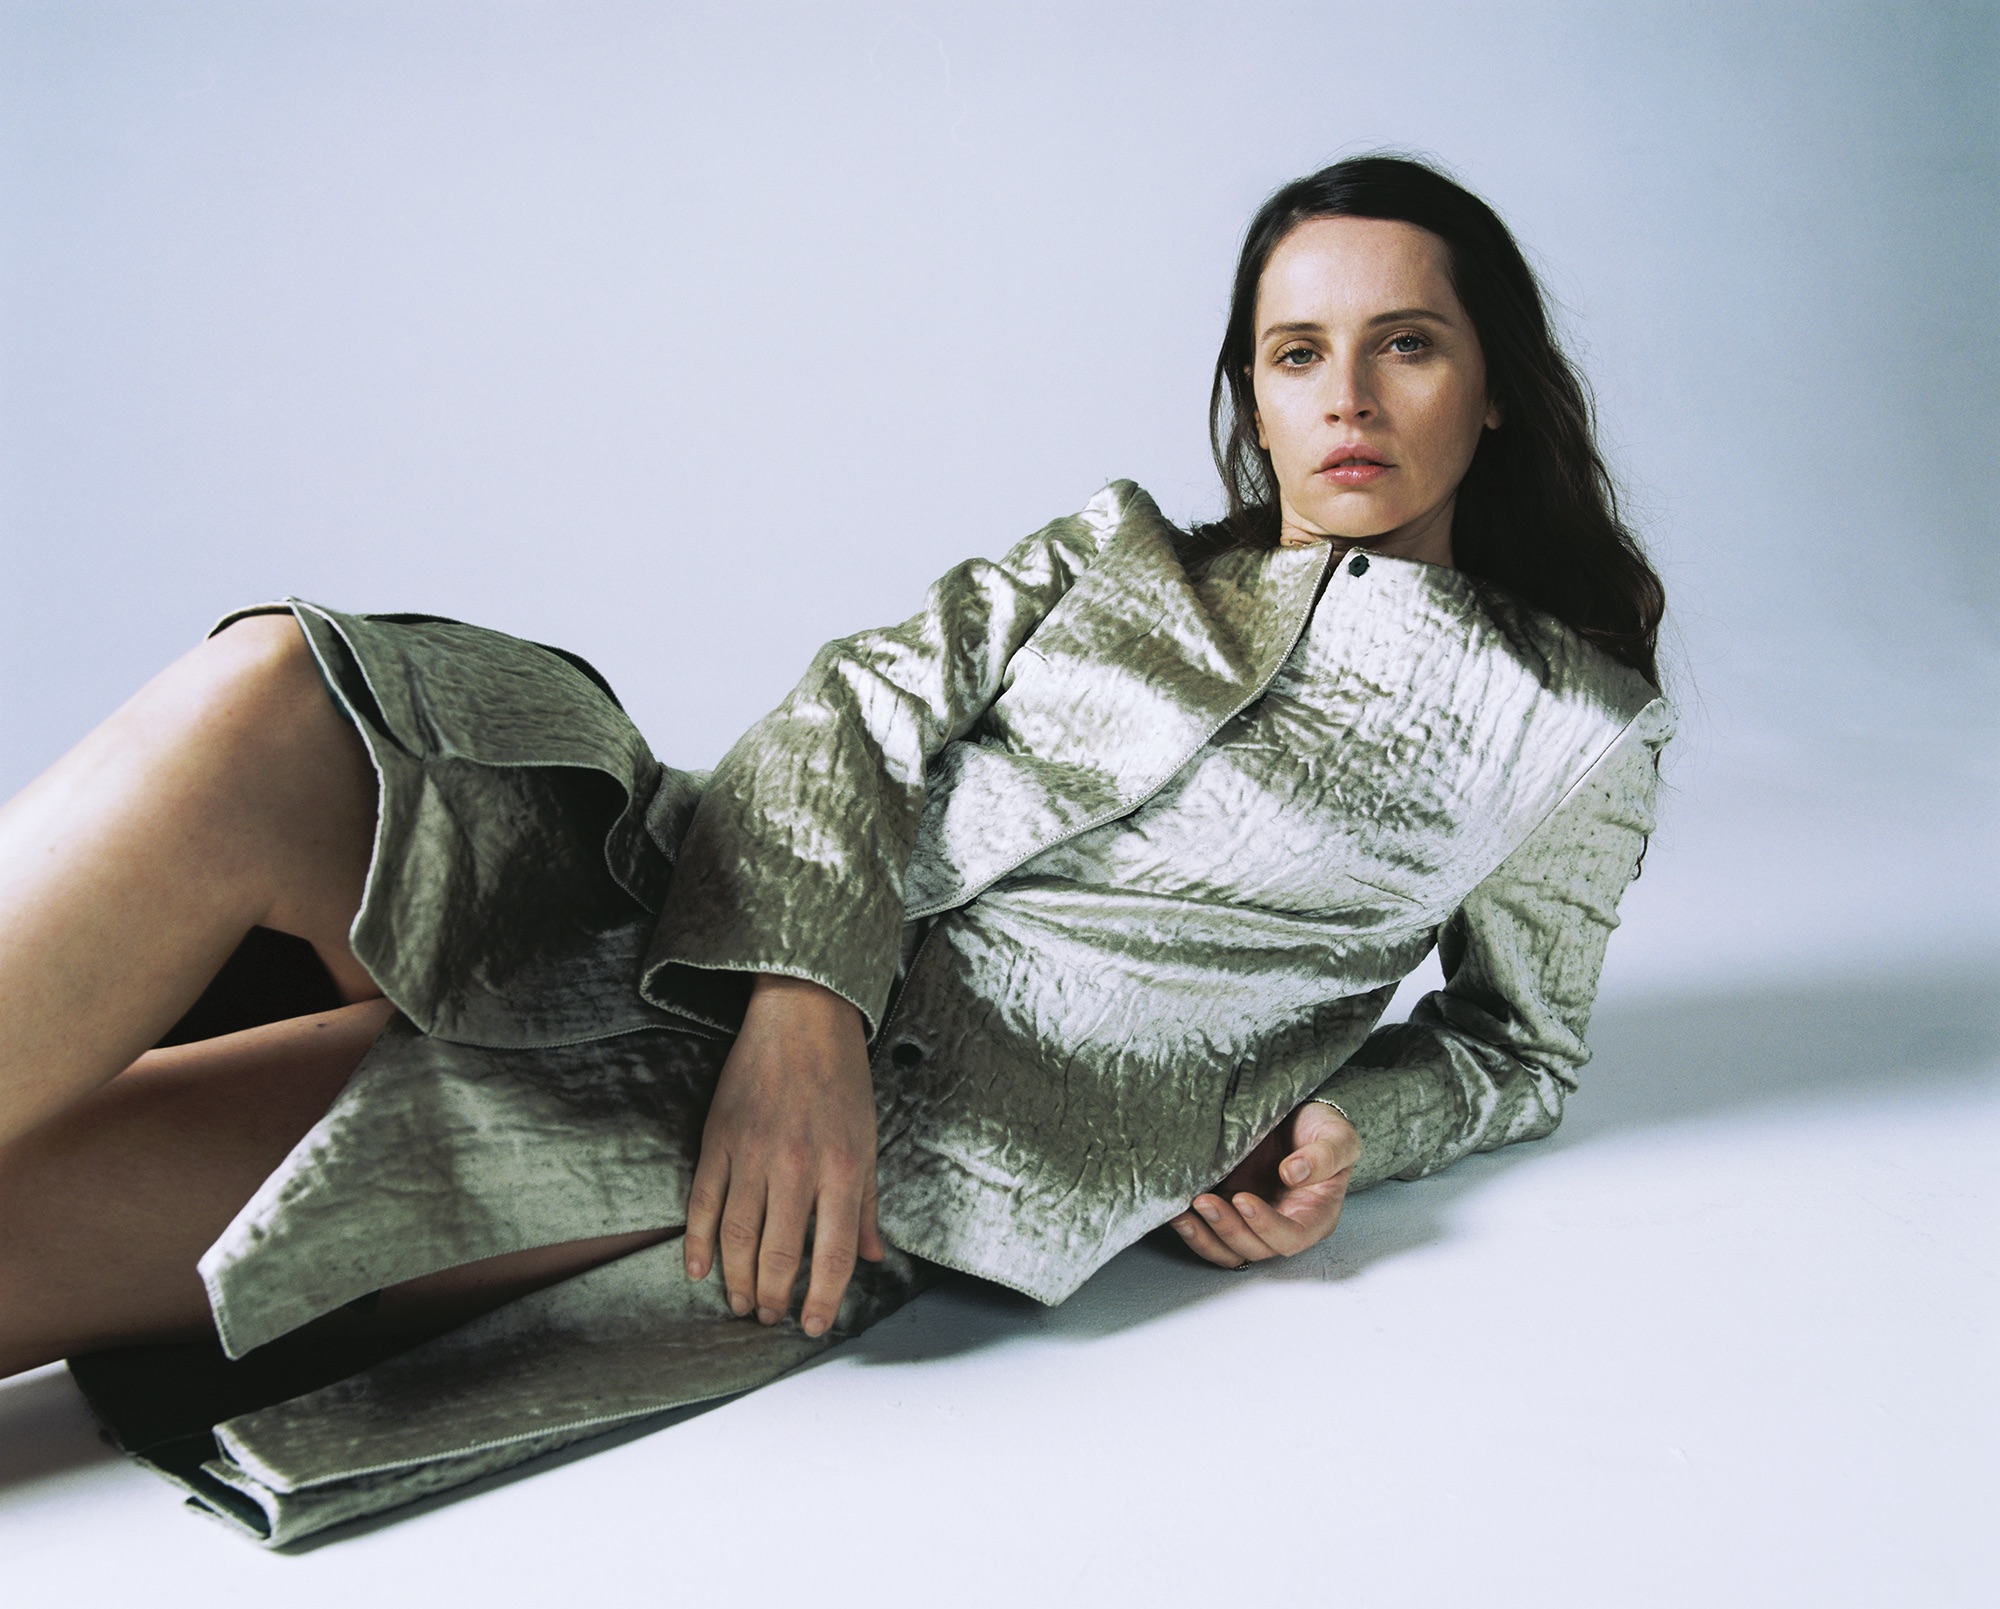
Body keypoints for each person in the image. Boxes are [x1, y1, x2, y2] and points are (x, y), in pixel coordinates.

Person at [0, 154, 1670, 1542]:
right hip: (681, 896)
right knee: (275, 693)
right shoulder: (1117, 556)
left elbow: (1514, 1047)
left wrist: (1346, 1130)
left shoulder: (1574, 729)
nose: (1347, 397)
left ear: (1494, 390)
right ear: (1253, 392)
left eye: (1406, 345)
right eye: (1297, 353)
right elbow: (851, 713)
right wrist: (803, 1004)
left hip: (796, 1141)